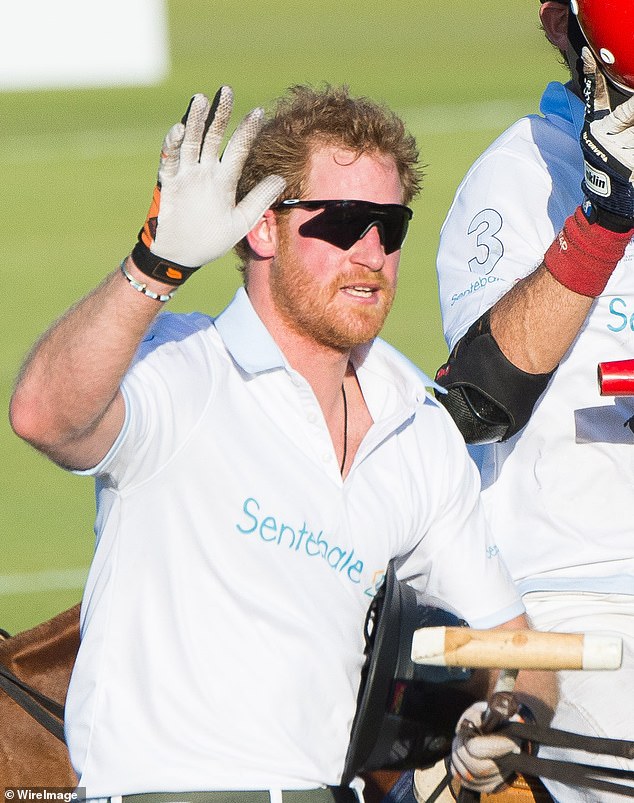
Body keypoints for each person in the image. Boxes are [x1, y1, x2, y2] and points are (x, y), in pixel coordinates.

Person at [10, 83, 554, 799]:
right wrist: (154, 264)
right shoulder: (180, 366)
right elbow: (43, 416)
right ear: (262, 229)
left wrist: (505, 722)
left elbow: (520, 649)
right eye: (344, 222)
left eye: (390, 227)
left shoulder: (416, 425)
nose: (371, 252)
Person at [433, 1, 634, 800]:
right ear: (573, 49)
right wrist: (602, 219)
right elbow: (481, 399)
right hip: (573, 601)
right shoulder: (520, 175)